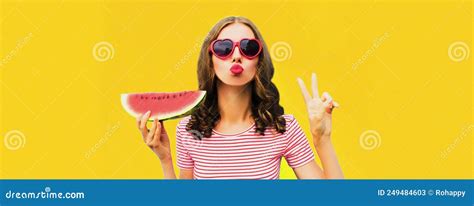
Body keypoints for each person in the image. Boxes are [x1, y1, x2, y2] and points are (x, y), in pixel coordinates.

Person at [136, 16, 343, 179]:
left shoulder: (282, 128)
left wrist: (322, 139)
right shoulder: (189, 131)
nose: (236, 55)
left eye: (248, 48)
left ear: (259, 62)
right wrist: (165, 160)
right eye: (223, 48)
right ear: (210, 60)